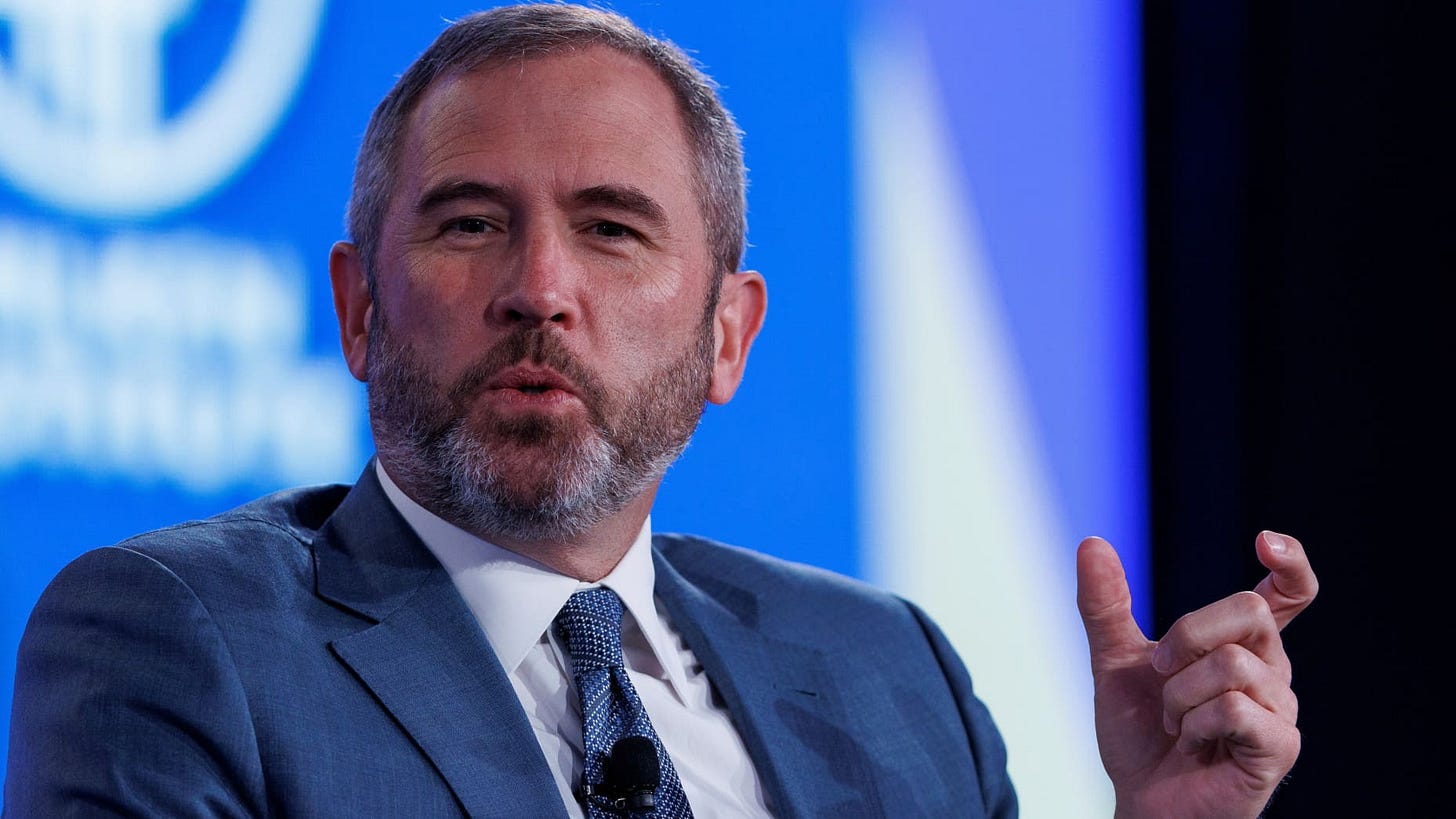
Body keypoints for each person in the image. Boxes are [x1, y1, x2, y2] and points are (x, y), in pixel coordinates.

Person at [4, 4, 1317, 818]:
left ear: (727, 336)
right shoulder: (185, 642)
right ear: (357, 308)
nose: (539, 290)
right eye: (470, 224)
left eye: (613, 230)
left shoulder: (888, 676)